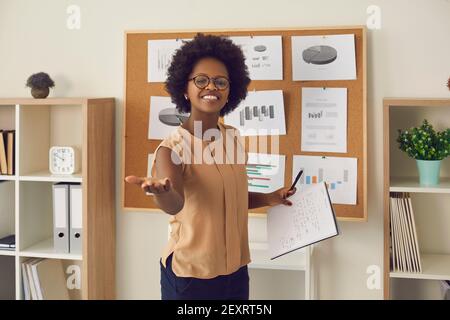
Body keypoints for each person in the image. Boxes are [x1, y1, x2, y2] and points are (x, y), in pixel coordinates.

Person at [125, 33, 296, 300]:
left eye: (220, 82)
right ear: (185, 88)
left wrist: (269, 197)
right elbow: (175, 203)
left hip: (236, 270)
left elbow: (230, 198)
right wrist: (161, 192)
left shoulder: (233, 138)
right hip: (191, 276)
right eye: (201, 80)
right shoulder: (172, 149)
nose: (211, 87)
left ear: (231, 91)